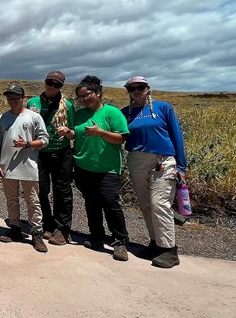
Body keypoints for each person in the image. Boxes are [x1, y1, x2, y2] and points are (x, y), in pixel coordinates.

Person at [57, 75, 130, 261]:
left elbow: (121, 138)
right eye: (80, 97)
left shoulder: (111, 113)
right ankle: (96, 236)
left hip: (107, 169)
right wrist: (67, 133)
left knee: (110, 203)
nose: (83, 99)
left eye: (86, 95)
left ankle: (120, 241)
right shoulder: (80, 114)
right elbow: (76, 135)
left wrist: (101, 133)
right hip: (83, 166)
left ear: (97, 93)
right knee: (91, 203)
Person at [121, 76, 187, 268]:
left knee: (160, 203)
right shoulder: (126, 113)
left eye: (140, 87)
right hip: (137, 159)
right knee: (146, 204)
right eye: (131, 88)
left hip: (163, 160)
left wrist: (181, 166)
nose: (136, 90)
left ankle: (169, 250)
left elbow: (176, 136)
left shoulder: (163, 108)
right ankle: (156, 243)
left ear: (148, 88)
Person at [0, 84, 50, 253]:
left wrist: (27, 144)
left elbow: (45, 140)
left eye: (16, 96)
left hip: (28, 167)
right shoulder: (1, 118)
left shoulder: (34, 117)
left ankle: (36, 233)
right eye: (9, 96)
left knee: (32, 201)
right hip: (7, 166)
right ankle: (15, 228)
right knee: (11, 199)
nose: (12, 99)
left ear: (23, 98)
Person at [27, 70, 75, 245]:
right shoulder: (33, 102)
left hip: (61, 152)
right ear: (45, 82)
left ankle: (63, 229)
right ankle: (48, 223)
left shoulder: (67, 105)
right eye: (50, 82)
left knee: (62, 191)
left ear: (61, 86)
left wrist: (67, 131)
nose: (52, 87)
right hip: (39, 153)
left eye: (57, 85)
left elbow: (73, 133)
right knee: (40, 190)